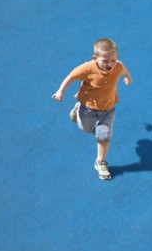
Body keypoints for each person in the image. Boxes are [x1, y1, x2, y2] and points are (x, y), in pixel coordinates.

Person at [53, 38, 131, 182]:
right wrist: (60, 91)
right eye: (105, 61)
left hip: (108, 109)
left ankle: (100, 162)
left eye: (113, 60)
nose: (110, 64)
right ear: (95, 58)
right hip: (88, 108)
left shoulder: (118, 66)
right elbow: (71, 76)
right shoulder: (87, 68)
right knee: (86, 129)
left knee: (104, 135)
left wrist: (128, 78)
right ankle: (77, 110)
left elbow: (124, 71)